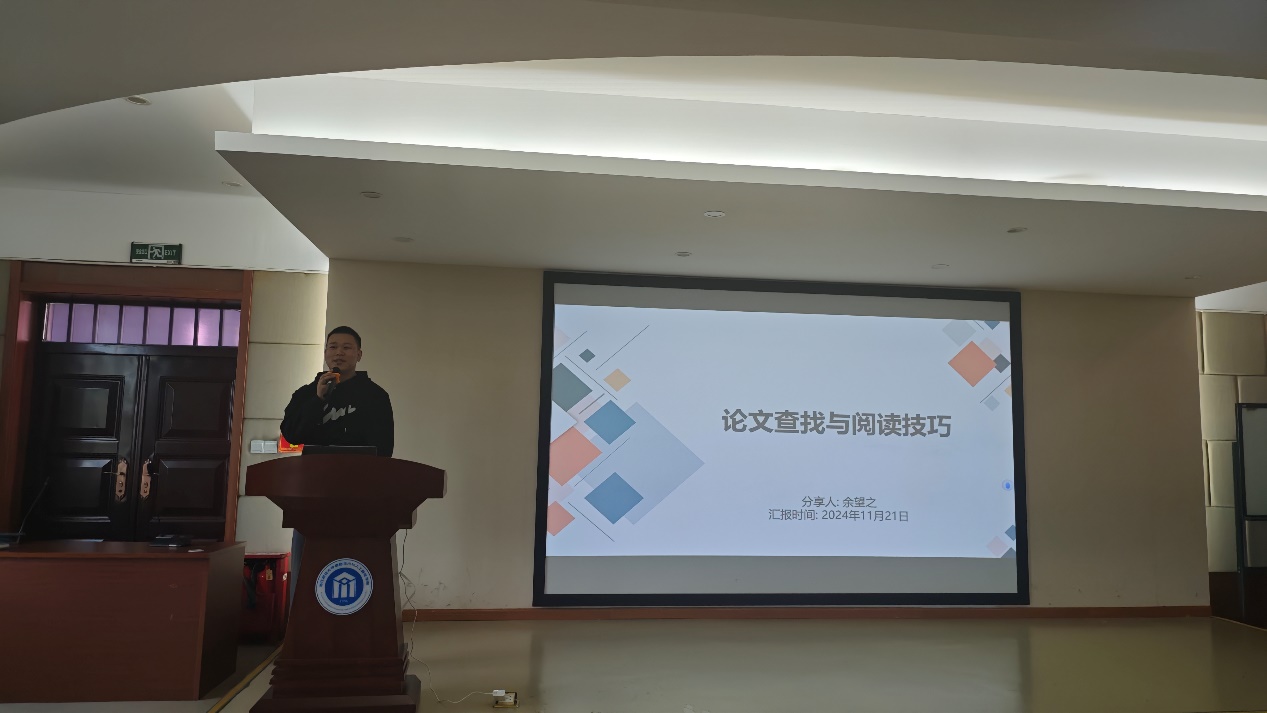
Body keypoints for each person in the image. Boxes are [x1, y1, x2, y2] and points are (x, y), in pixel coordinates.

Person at [280, 326, 394, 608]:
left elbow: (384, 448)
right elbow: (292, 434)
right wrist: (318, 400)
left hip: (359, 493)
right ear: (325, 352)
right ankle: (304, 619)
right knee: (310, 559)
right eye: (333, 347)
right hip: (314, 491)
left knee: (360, 556)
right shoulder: (306, 394)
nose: (339, 352)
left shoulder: (376, 396)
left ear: (359, 354)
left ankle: (361, 616)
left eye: (346, 347)